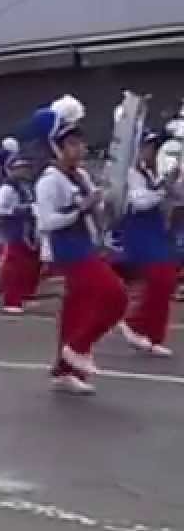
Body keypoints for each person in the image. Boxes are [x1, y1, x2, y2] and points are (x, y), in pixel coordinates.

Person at [31, 95, 128, 394]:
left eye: (81, 144)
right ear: (57, 148)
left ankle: (64, 371)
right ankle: (78, 346)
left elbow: (93, 212)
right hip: (70, 250)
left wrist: (104, 208)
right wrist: (82, 208)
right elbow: (47, 222)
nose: (81, 149)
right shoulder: (49, 181)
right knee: (116, 296)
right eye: (73, 144)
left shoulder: (82, 175)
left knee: (78, 308)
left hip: (88, 245)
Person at [115, 127, 179, 358]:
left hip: (156, 229)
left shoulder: (153, 172)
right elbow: (139, 201)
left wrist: (173, 180)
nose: (151, 151)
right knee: (159, 276)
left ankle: (152, 336)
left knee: (167, 279)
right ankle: (135, 323)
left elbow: (174, 195)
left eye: (154, 147)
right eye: (148, 146)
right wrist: (163, 188)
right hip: (138, 231)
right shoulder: (130, 174)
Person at [0, 142, 41, 314]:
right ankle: (11, 300)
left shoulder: (29, 186)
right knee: (15, 266)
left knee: (30, 266)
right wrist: (22, 210)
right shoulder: (9, 187)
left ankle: (24, 297)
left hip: (30, 231)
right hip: (15, 229)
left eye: (28, 167)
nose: (26, 171)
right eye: (22, 167)